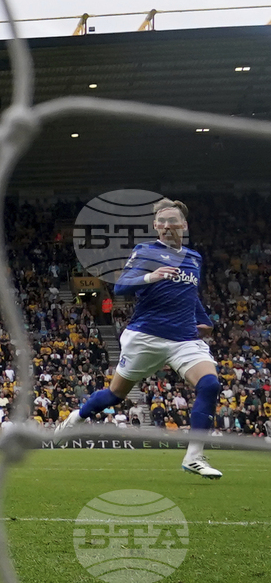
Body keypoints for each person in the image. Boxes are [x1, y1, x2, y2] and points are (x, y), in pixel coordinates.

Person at [57, 198, 222, 479]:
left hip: (183, 338)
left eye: (173, 221)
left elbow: (190, 294)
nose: (167, 226)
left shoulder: (194, 258)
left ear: (184, 225)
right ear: (155, 227)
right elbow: (121, 286)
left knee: (210, 384)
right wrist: (151, 277)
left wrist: (203, 320)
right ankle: (77, 417)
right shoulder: (146, 252)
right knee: (115, 394)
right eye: (162, 222)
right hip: (145, 336)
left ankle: (194, 457)